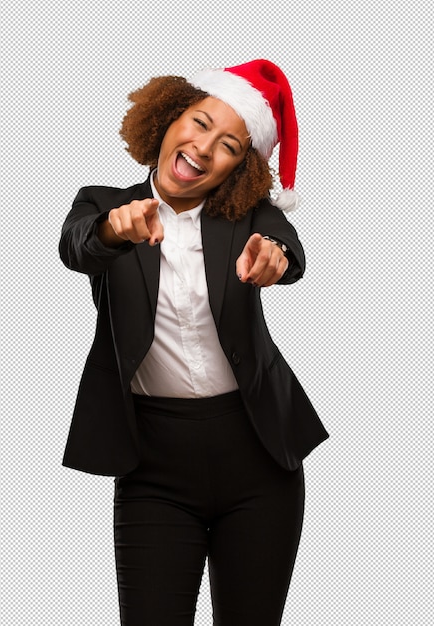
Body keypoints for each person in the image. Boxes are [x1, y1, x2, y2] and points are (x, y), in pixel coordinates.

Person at [59, 59, 329, 626]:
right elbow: (78, 247)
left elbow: (285, 245)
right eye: (200, 123)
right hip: (153, 465)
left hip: (259, 456)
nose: (205, 148)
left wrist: (275, 257)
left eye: (230, 144)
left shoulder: (245, 217)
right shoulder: (101, 203)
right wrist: (115, 228)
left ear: (240, 166)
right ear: (167, 117)